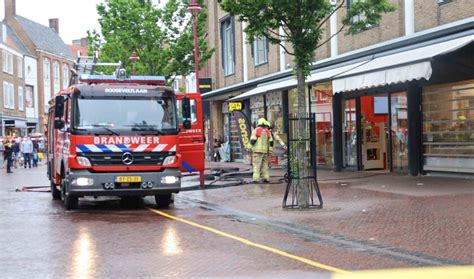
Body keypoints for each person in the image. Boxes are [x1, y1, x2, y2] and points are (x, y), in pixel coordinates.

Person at [247, 118, 273, 183]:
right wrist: (270, 150)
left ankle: (256, 179)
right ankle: (266, 178)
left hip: (257, 151)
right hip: (265, 151)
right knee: (265, 165)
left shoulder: (256, 130)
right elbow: (271, 142)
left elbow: (253, 140)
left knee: (256, 165)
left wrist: (248, 147)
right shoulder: (267, 131)